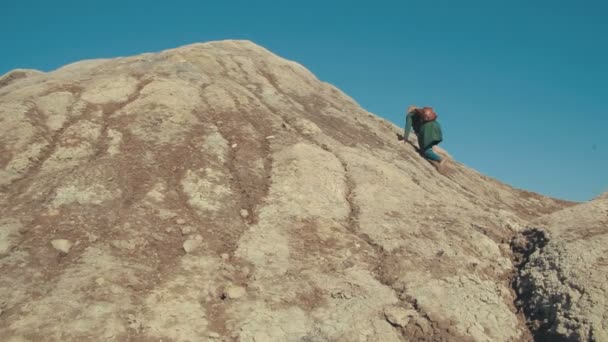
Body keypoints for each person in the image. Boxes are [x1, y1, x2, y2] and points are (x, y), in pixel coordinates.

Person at [403, 105, 446, 171]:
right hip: (436, 126)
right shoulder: (422, 116)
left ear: (409, 110)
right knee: (426, 148)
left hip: (427, 129)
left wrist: (405, 139)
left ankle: (440, 159)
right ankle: (435, 158)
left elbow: (408, 126)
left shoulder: (410, 115)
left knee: (425, 151)